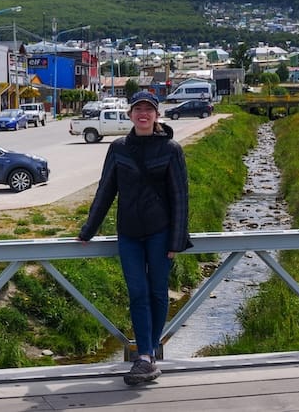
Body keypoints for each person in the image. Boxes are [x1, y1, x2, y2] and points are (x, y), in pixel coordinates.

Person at [77, 90, 192, 386]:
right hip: (128, 233)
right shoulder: (118, 148)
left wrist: (176, 240)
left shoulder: (171, 149)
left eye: (149, 110)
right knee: (137, 293)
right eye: (138, 109)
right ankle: (144, 355)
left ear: (156, 115)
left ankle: (148, 353)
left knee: (157, 292)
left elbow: (180, 197)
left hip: (160, 232)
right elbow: (105, 190)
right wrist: (88, 229)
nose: (143, 114)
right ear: (130, 115)